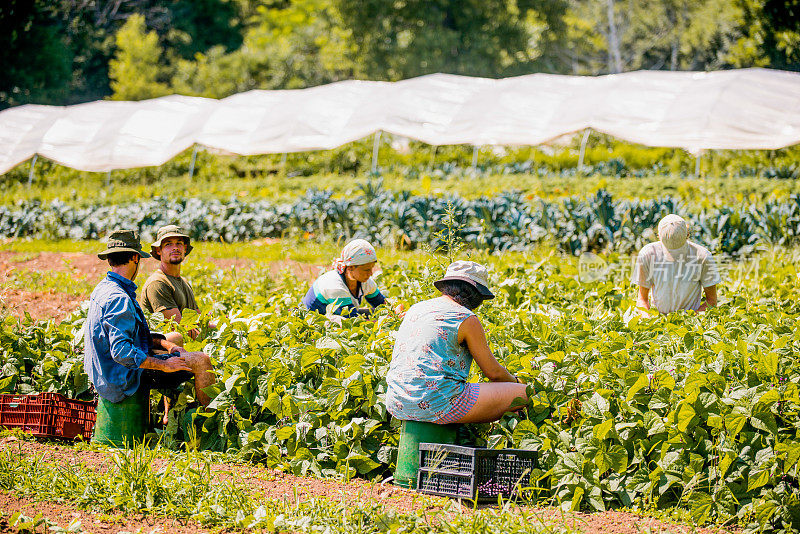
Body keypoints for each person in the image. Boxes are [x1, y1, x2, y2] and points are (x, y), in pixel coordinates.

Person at [84, 229, 214, 412]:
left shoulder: (105, 287)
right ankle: (212, 424)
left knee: (173, 339)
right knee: (202, 361)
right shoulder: (119, 298)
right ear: (135, 258)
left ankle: (168, 413)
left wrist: (168, 346)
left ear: (110, 259)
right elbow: (122, 352)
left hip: (106, 370)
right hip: (121, 378)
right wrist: (164, 364)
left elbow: (134, 336)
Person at [385, 260, 528, 424]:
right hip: (436, 403)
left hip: (397, 401)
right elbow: (493, 373)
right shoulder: (466, 317)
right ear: (475, 295)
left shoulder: (417, 308)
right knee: (524, 394)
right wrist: (517, 382)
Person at [632, 214, 721, 316]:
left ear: (688, 235)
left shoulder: (702, 256)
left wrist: (689, 321)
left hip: (691, 322)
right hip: (658, 319)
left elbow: (712, 301)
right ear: (659, 237)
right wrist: (647, 320)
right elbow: (642, 299)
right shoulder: (648, 254)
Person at [140, 225, 201, 341]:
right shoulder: (158, 283)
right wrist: (211, 339)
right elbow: (180, 329)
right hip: (165, 352)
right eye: (168, 244)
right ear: (158, 250)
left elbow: (199, 320)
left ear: (185, 248)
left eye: (179, 243)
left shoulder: (184, 282)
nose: (175, 248)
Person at [302, 239, 387, 316]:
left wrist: (394, 309)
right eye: (366, 270)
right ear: (350, 267)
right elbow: (352, 321)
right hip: (312, 323)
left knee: (377, 312)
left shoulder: (365, 281)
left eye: (372, 268)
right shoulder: (335, 286)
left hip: (337, 316)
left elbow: (381, 303)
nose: (371, 273)